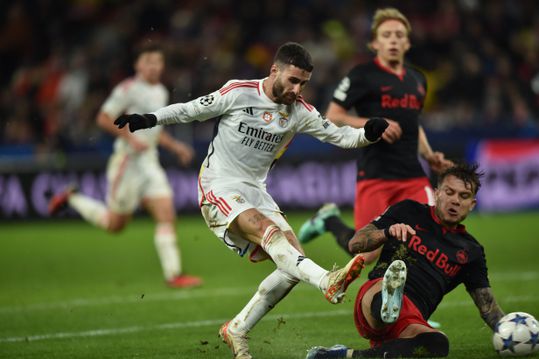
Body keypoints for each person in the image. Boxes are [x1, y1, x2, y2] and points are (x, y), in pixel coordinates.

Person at [114, 42, 390, 359]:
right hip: (218, 183)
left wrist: (368, 133)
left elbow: (341, 136)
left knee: (292, 264)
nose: (297, 89)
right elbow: (191, 109)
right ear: (275, 70)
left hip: (256, 191)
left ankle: (238, 329)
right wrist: (150, 119)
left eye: (304, 83)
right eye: (293, 80)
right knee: (269, 234)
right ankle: (327, 280)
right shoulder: (239, 92)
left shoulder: (300, 111)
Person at [298, 7, 453, 265]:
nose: (393, 39)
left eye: (398, 35)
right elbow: (333, 115)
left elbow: (414, 122)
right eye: (387, 34)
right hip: (376, 173)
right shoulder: (362, 75)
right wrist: (373, 124)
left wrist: (429, 154)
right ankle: (329, 220)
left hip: (413, 176)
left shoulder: (418, 80)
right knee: (367, 252)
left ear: (407, 42)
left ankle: (404, 299)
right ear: (374, 43)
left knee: (428, 240)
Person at [306, 163, 506, 358]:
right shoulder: (408, 211)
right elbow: (355, 244)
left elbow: (488, 308)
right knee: (383, 292)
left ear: (472, 204)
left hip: (410, 321)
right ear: (436, 193)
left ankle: (345, 355)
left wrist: (512, 331)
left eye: (464, 196)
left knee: (438, 343)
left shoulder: (471, 251)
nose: (455, 201)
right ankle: (389, 298)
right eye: (449, 192)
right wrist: (386, 233)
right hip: (373, 294)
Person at [48, 44, 202, 288]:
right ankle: (73, 197)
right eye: (148, 61)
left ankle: (174, 275)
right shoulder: (128, 89)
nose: (153, 66)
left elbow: (154, 128)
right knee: (114, 225)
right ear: (138, 65)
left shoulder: (161, 91)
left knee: (166, 214)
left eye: (157, 62)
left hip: (149, 162)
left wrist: (175, 146)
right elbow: (103, 118)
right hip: (127, 162)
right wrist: (130, 139)